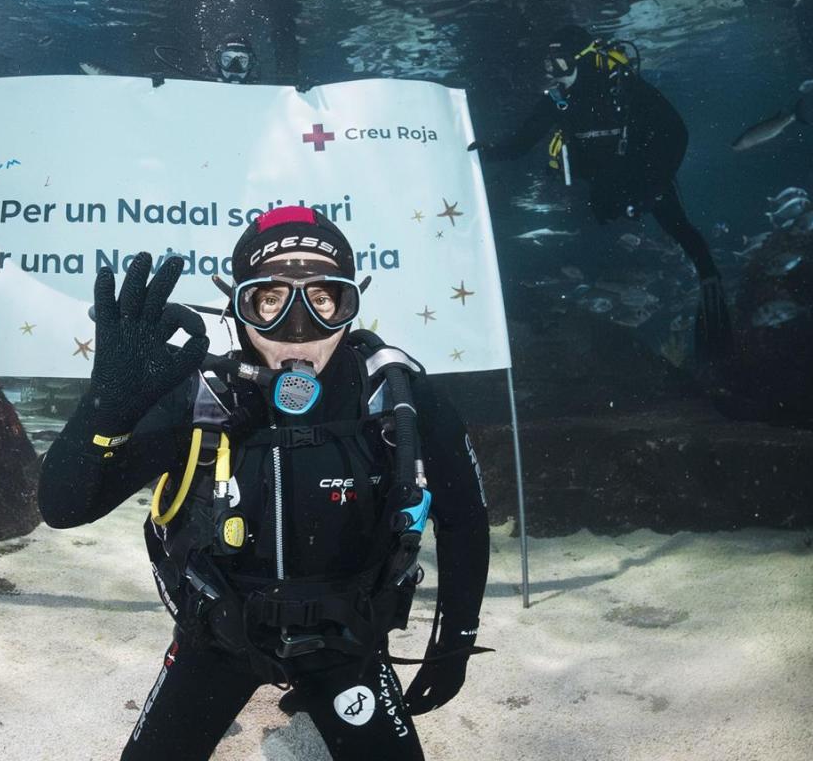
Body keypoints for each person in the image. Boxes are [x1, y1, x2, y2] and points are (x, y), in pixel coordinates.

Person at [39, 206, 491, 761]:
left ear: (351, 303)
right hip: (220, 639)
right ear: (237, 303)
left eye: (323, 300)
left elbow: (464, 520)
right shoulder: (202, 400)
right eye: (270, 301)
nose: (298, 331)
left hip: (347, 642)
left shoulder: (399, 402)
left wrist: (454, 643)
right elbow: (63, 508)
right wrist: (104, 408)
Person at [469, 25, 732, 357]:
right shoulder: (558, 101)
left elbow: (675, 133)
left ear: (585, 59)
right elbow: (519, 145)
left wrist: (652, 186)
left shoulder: (625, 89)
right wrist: (480, 150)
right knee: (591, 249)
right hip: (600, 188)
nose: (552, 72)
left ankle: (712, 295)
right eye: (548, 64)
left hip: (643, 177)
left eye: (560, 63)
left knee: (682, 231)